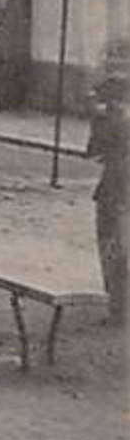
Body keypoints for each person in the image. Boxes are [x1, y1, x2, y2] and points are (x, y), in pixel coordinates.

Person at [87, 75, 127, 325]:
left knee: (112, 243)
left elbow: (94, 151)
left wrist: (97, 117)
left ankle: (118, 306)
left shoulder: (108, 119)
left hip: (116, 186)